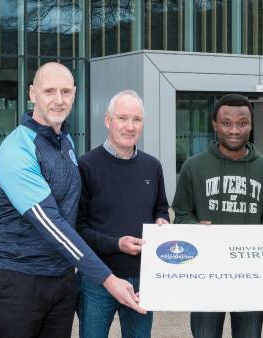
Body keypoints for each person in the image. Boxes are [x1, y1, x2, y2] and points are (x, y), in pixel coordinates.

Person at [0, 62, 145, 338]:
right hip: (18, 279)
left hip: (61, 279)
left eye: (65, 91)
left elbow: (77, 206)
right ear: (32, 94)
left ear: (74, 94)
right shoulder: (16, 148)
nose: (59, 100)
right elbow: (52, 224)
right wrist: (107, 279)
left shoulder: (65, 142)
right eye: (49, 91)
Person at [172, 93, 263, 338]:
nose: (234, 130)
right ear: (214, 124)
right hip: (206, 278)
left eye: (242, 123)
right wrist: (194, 227)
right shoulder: (193, 167)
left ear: (251, 125)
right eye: (226, 122)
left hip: (251, 278)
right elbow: (180, 215)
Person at [76, 90, 170, 338]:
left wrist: (163, 220)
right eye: (123, 118)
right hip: (98, 278)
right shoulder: (86, 165)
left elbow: (161, 207)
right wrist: (116, 244)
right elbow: (78, 227)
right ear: (108, 120)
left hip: (143, 278)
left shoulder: (152, 165)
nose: (130, 126)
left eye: (136, 119)